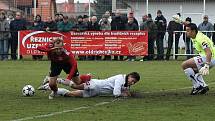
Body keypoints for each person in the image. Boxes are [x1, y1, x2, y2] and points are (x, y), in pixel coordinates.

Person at [39, 72, 140, 98]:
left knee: (70, 94)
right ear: (129, 75)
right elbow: (116, 93)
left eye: (134, 82)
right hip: (95, 85)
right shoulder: (120, 78)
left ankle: (49, 87)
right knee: (74, 85)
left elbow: (125, 90)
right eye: (133, 80)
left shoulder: (126, 83)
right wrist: (124, 95)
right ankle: (51, 79)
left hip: (95, 93)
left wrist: (128, 92)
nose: (132, 82)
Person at [181, 23, 215, 95]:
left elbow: (209, 52)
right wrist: (181, 21)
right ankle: (203, 86)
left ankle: (197, 86)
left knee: (184, 65)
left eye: (188, 30)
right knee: (193, 70)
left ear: (193, 31)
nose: (186, 32)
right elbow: (191, 25)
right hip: (208, 57)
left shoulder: (200, 38)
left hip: (209, 57)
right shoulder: (195, 33)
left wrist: (207, 65)